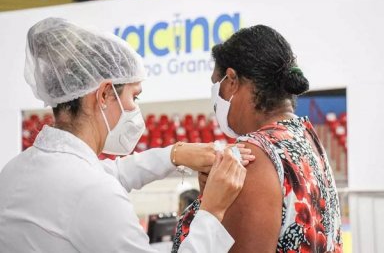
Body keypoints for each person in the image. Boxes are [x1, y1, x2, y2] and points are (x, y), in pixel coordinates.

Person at [0, 18, 252, 253]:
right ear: (104, 95)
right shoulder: (92, 191)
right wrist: (212, 211)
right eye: (134, 96)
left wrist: (175, 154)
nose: (135, 109)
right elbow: (94, 186)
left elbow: (113, 172)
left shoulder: (17, 169)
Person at [173, 25, 343, 253]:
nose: (216, 95)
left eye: (217, 83)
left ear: (232, 80)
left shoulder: (252, 156)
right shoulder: (306, 135)